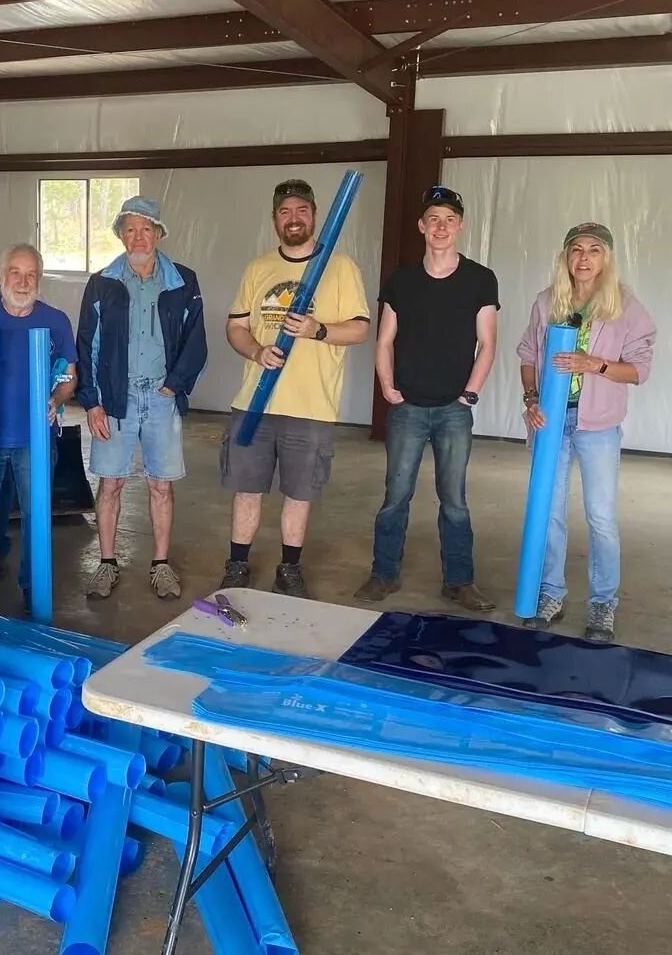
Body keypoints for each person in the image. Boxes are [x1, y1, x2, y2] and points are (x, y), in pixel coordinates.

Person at [219, 178, 370, 598]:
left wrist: (317, 329)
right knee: (246, 489)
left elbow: (359, 329)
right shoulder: (258, 268)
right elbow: (236, 326)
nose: (294, 218)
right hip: (254, 403)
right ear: (274, 218)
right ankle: (237, 563)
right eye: (285, 211)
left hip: (311, 406)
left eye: (302, 210)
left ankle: (289, 567)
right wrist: (256, 351)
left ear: (315, 215)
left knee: (299, 494)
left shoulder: (340, 268)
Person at [353, 185, 499, 612]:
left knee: (454, 500)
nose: (441, 226)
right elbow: (384, 340)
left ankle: (460, 581)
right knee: (395, 496)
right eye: (433, 218)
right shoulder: (402, 280)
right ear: (421, 226)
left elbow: (487, 342)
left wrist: (470, 393)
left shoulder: (480, 279)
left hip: (454, 409)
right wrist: (386, 388)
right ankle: (383, 574)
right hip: (408, 409)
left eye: (449, 219)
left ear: (460, 226)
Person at [518, 222, 655, 642]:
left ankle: (602, 604)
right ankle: (551, 594)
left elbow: (639, 371)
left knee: (601, 518)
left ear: (606, 259)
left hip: (598, 425)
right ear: (565, 257)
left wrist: (592, 363)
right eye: (576, 249)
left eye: (594, 250)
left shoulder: (626, 308)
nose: (583, 258)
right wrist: (531, 399)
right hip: (551, 422)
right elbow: (527, 353)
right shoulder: (547, 303)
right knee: (550, 513)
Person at [76, 196, 207, 602]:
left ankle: (160, 564)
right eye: (129, 229)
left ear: (159, 234)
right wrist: (92, 401)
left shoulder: (183, 281)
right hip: (116, 399)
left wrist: (174, 385)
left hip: (161, 396)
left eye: (146, 229)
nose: (138, 237)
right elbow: (87, 345)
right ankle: (108, 563)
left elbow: (195, 342)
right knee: (110, 482)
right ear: (120, 234)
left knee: (161, 485)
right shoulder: (102, 282)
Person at [0, 244, 78, 608]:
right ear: (2, 277)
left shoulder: (55, 321)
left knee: (36, 515)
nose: (23, 282)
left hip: (35, 438)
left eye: (31, 275)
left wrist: (56, 400)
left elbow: (69, 376)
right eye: (16, 273)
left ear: (39, 279)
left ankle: (32, 586)